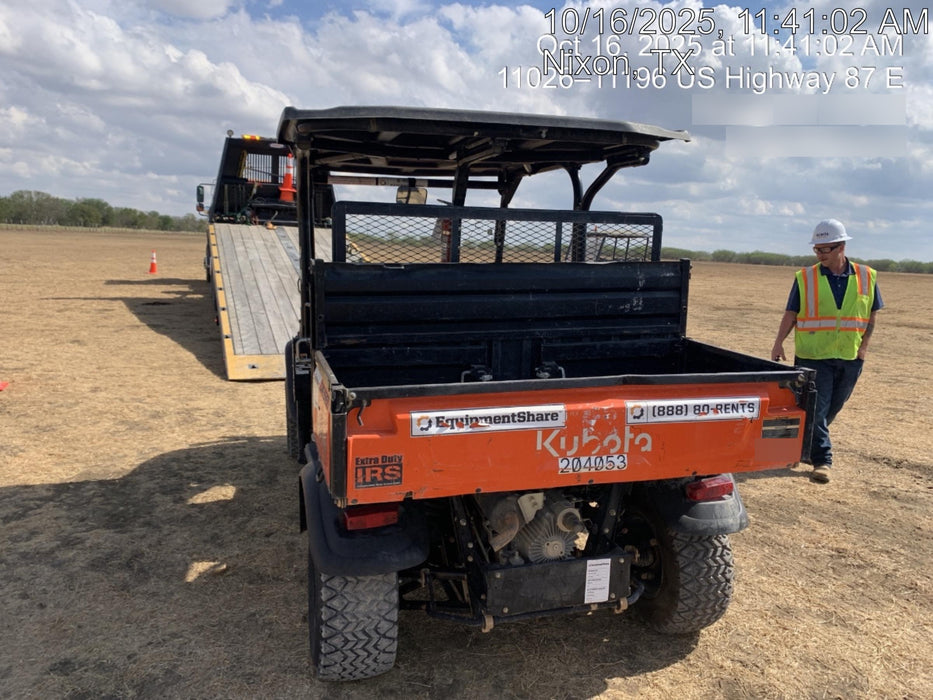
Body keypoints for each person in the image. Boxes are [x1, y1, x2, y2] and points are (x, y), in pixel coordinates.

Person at [771, 219, 883, 483]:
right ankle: (823, 461)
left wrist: (864, 347)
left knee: (832, 408)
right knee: (817, 408)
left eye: (824, 249)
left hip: (850, 356)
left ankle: (806, 445)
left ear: (841, 247)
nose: (819, 254)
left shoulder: (867, 276)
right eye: (817, 249)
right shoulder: (805, 277)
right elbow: (791, 313)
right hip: (813, 355)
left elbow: (871, 314)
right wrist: (778, 342)